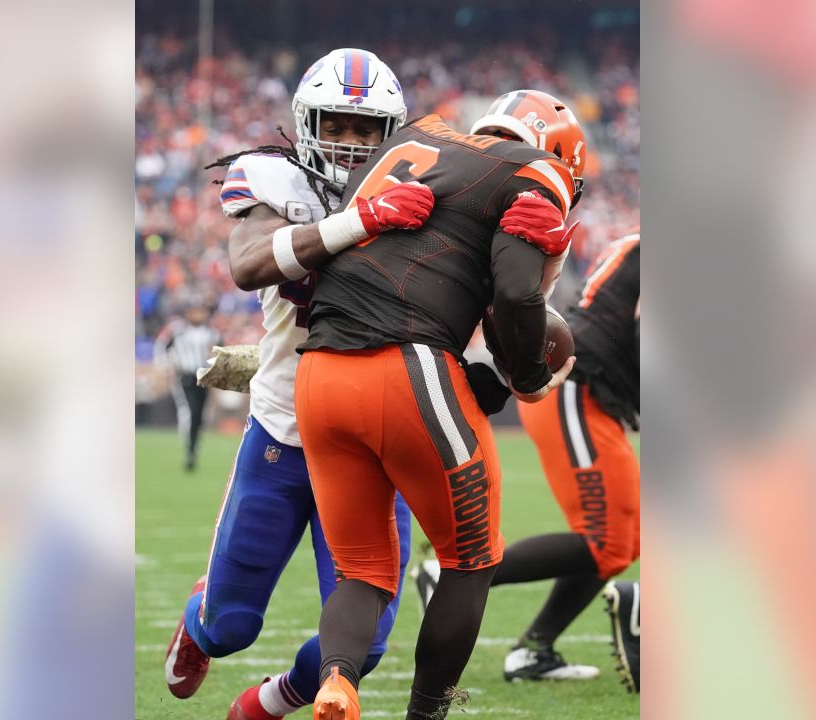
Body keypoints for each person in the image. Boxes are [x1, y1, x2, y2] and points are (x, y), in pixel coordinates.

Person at [294, 90, 587, 720]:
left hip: (319, 374)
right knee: (472, 559)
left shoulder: (413, 137)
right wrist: (529, 374)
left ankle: (337, 683)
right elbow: (513, 291)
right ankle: (426, 715)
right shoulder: (538, 171)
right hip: (408, 366)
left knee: (363, 570)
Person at [163, 48, 432, 720]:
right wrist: (359, 222)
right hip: (284, 430)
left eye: (364, 130)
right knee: (232, 626)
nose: (348, 142)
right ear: (307, 122)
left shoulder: (426, 187)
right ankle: (200, 620)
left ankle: (272, 701)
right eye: (335, 125)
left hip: (375, 443)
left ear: (390, 135)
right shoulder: (278, 182)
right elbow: (250, 265)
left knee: (364, 642)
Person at [418, 233, 639, 684]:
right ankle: (449, 576)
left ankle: (534, 650)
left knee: (624, 541)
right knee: (608, 542)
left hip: (594, 395)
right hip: (579, 390)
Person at [154, 306, 221, 471]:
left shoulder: (211, 332)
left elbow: (221, 351)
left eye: (202, 311)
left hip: (204, 376)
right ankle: (189, 448)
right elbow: (161, 346)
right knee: (189, 410)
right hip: (185, 376)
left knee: (200, 413)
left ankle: (194, 443)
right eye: (196, 311)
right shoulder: (178, 331)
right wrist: (165, 366)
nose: (199, 315)